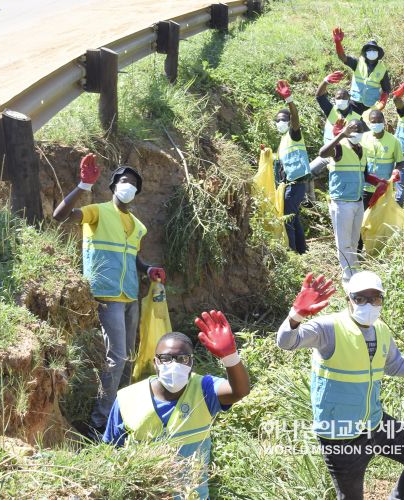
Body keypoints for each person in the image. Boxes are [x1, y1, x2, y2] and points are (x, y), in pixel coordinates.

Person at [276, 271, 404, 500]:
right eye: (360, 298)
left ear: (381, 300)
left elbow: (397, 365)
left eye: (374, 298)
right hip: (341, 434)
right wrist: (296, 315)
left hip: (374, 423)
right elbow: (287, 342)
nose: (368, 304)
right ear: (348, 300)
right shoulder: (329, 328)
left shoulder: (381, 331)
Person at [52, 154, 165, 439]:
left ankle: (121, 412)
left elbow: (133, 256)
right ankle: (98, 421)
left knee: (127, 357)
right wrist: (83, 185)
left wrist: (147, 268)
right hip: (106, 294)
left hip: (130, 295)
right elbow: (59, 216)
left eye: (134, 184)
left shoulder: (138, 225)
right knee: (116, 357)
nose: (129, 186)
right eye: (124, 181)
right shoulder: (97, 212)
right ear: (114, 185)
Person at [103, 311, 250, 499]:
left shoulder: (203, 389)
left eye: (182, 359)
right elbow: (112, 453)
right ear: (155, 363)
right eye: (166, 358)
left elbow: (239, 391)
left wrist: (230, 357)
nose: (174, 365)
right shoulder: (127, 398)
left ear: (191, 363)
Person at [319, 119, 388, 286]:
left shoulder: (362, 150)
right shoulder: (340, 147)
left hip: (357, 200)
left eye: (359, 130)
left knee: (354, 240)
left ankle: (354, 271)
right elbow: (322, 153)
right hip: (342, 201)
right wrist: (341, 135)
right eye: (352, 130)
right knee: (343, 242)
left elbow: (364, 175)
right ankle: (347, 278)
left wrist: (378, 181)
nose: (355, 133)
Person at [271, 80, 312, 254]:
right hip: (289, 185)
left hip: (295, 185)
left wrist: (289, 100)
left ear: (289, 122)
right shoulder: (282, 142)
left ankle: (292, 252)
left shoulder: (294, 135)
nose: (280, 122)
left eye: (283, 119)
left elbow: (295, 117)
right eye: (277, 120)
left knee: (287, 218)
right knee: (293, 217)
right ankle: (302, 250)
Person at [332, 27, 392, 114]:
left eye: (374, 50)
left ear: (378, 53)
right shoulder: (357, 63)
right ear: (365, 53)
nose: (371, 52)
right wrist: (338, 43)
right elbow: (342, 57)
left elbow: (386, 90)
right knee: (352, 122)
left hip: (371, 107)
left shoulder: (382, 69)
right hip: (354, 103)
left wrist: (381, 104)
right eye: (369, 50)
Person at [361, 110, 404, 209]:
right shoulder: (363, 138)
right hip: (364, 186)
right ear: (369, 122)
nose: (376, 124)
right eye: (373, 121)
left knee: (381, 215)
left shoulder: (394, 140)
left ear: (384, 121)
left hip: (384, 187)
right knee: (364, 215)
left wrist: (396, 171)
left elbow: (400, 161)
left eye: (379, 121)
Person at [316, 70, 362, 145]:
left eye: (344, 98)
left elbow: (364, 135)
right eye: (338, 98)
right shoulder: (330, 110)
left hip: (347, 150)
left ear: (349, 99)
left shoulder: (357, 116)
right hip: (329, 148)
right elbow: (319, 96)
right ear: (334, 99)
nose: (341, 100)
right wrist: (325, 81)